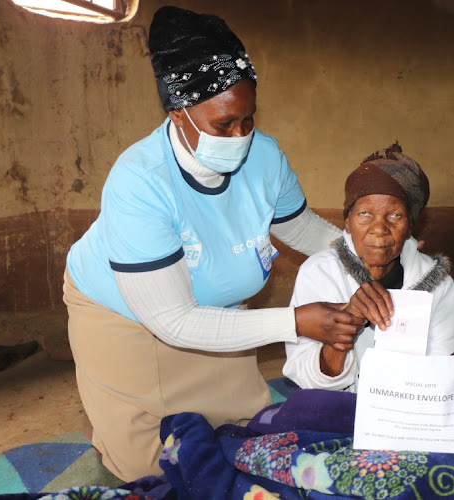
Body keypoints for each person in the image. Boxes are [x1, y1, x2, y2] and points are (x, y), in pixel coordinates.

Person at [63, 6, 365, 481]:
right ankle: (113, 428)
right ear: (177, 111)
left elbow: (302, 228)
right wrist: (295, 322)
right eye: (224, 124)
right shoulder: (140, 180)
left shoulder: (264, 156)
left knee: (250, 435)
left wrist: (367, 255)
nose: (240, 136)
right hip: (127, 317)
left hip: (216, 310)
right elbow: (173, 321)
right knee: (156, 470)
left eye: (248, 119)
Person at [283, 143, 454, 488]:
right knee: (304, 415)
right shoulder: (319, 272)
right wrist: (346, 323)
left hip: (411, 413)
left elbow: (450, 370)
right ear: (346, 221)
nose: (379, 229)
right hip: (339, 407)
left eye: (394, 216)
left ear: (411, 225)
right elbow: (308, 377)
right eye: (365, 214)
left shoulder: (436, 282)